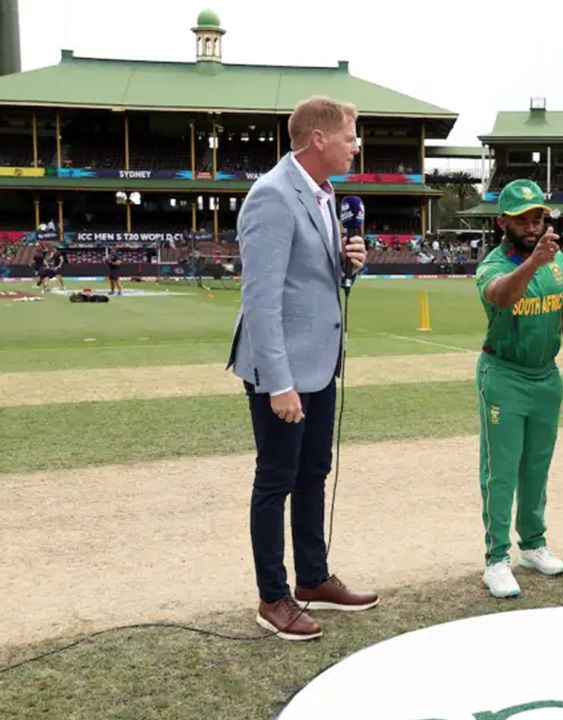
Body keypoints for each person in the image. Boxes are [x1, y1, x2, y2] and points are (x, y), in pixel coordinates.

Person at [226, 95, 377, 642]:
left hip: (320, 361)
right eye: (349, 135)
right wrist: (279, 383)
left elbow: (310, 280)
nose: (355, 145)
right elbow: (261, 299)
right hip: (283, 369)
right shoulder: (271, 196)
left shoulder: (324, 193)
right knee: (276, 480)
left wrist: (347, 264)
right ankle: (273, 597)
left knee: (314, 472)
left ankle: (313, 578)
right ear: (318, 138)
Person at [474, 178, 563, 599]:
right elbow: (502, 296)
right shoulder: (493, 264)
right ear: (502, 221)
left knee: (536, 467)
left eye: (537, 217)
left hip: (545, 377)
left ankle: (533, 545)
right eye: (522, 219)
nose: (532, 225)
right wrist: (534, 264)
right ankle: (496, 558)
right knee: (500, 472)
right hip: (503, 375)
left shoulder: (558, 262)